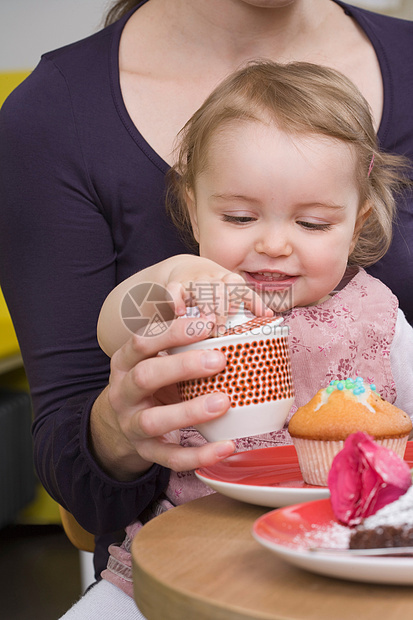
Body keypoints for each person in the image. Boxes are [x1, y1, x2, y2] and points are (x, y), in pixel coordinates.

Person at [0, 0, 413, 587]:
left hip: (347, 545)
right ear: (192, 210)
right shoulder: (199, 301)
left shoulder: (372, 313)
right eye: (241, 218)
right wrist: (160, 285)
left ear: (359, 224)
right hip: (191, 546)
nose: (273, 245)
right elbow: (112, 330)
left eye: (314, 226)